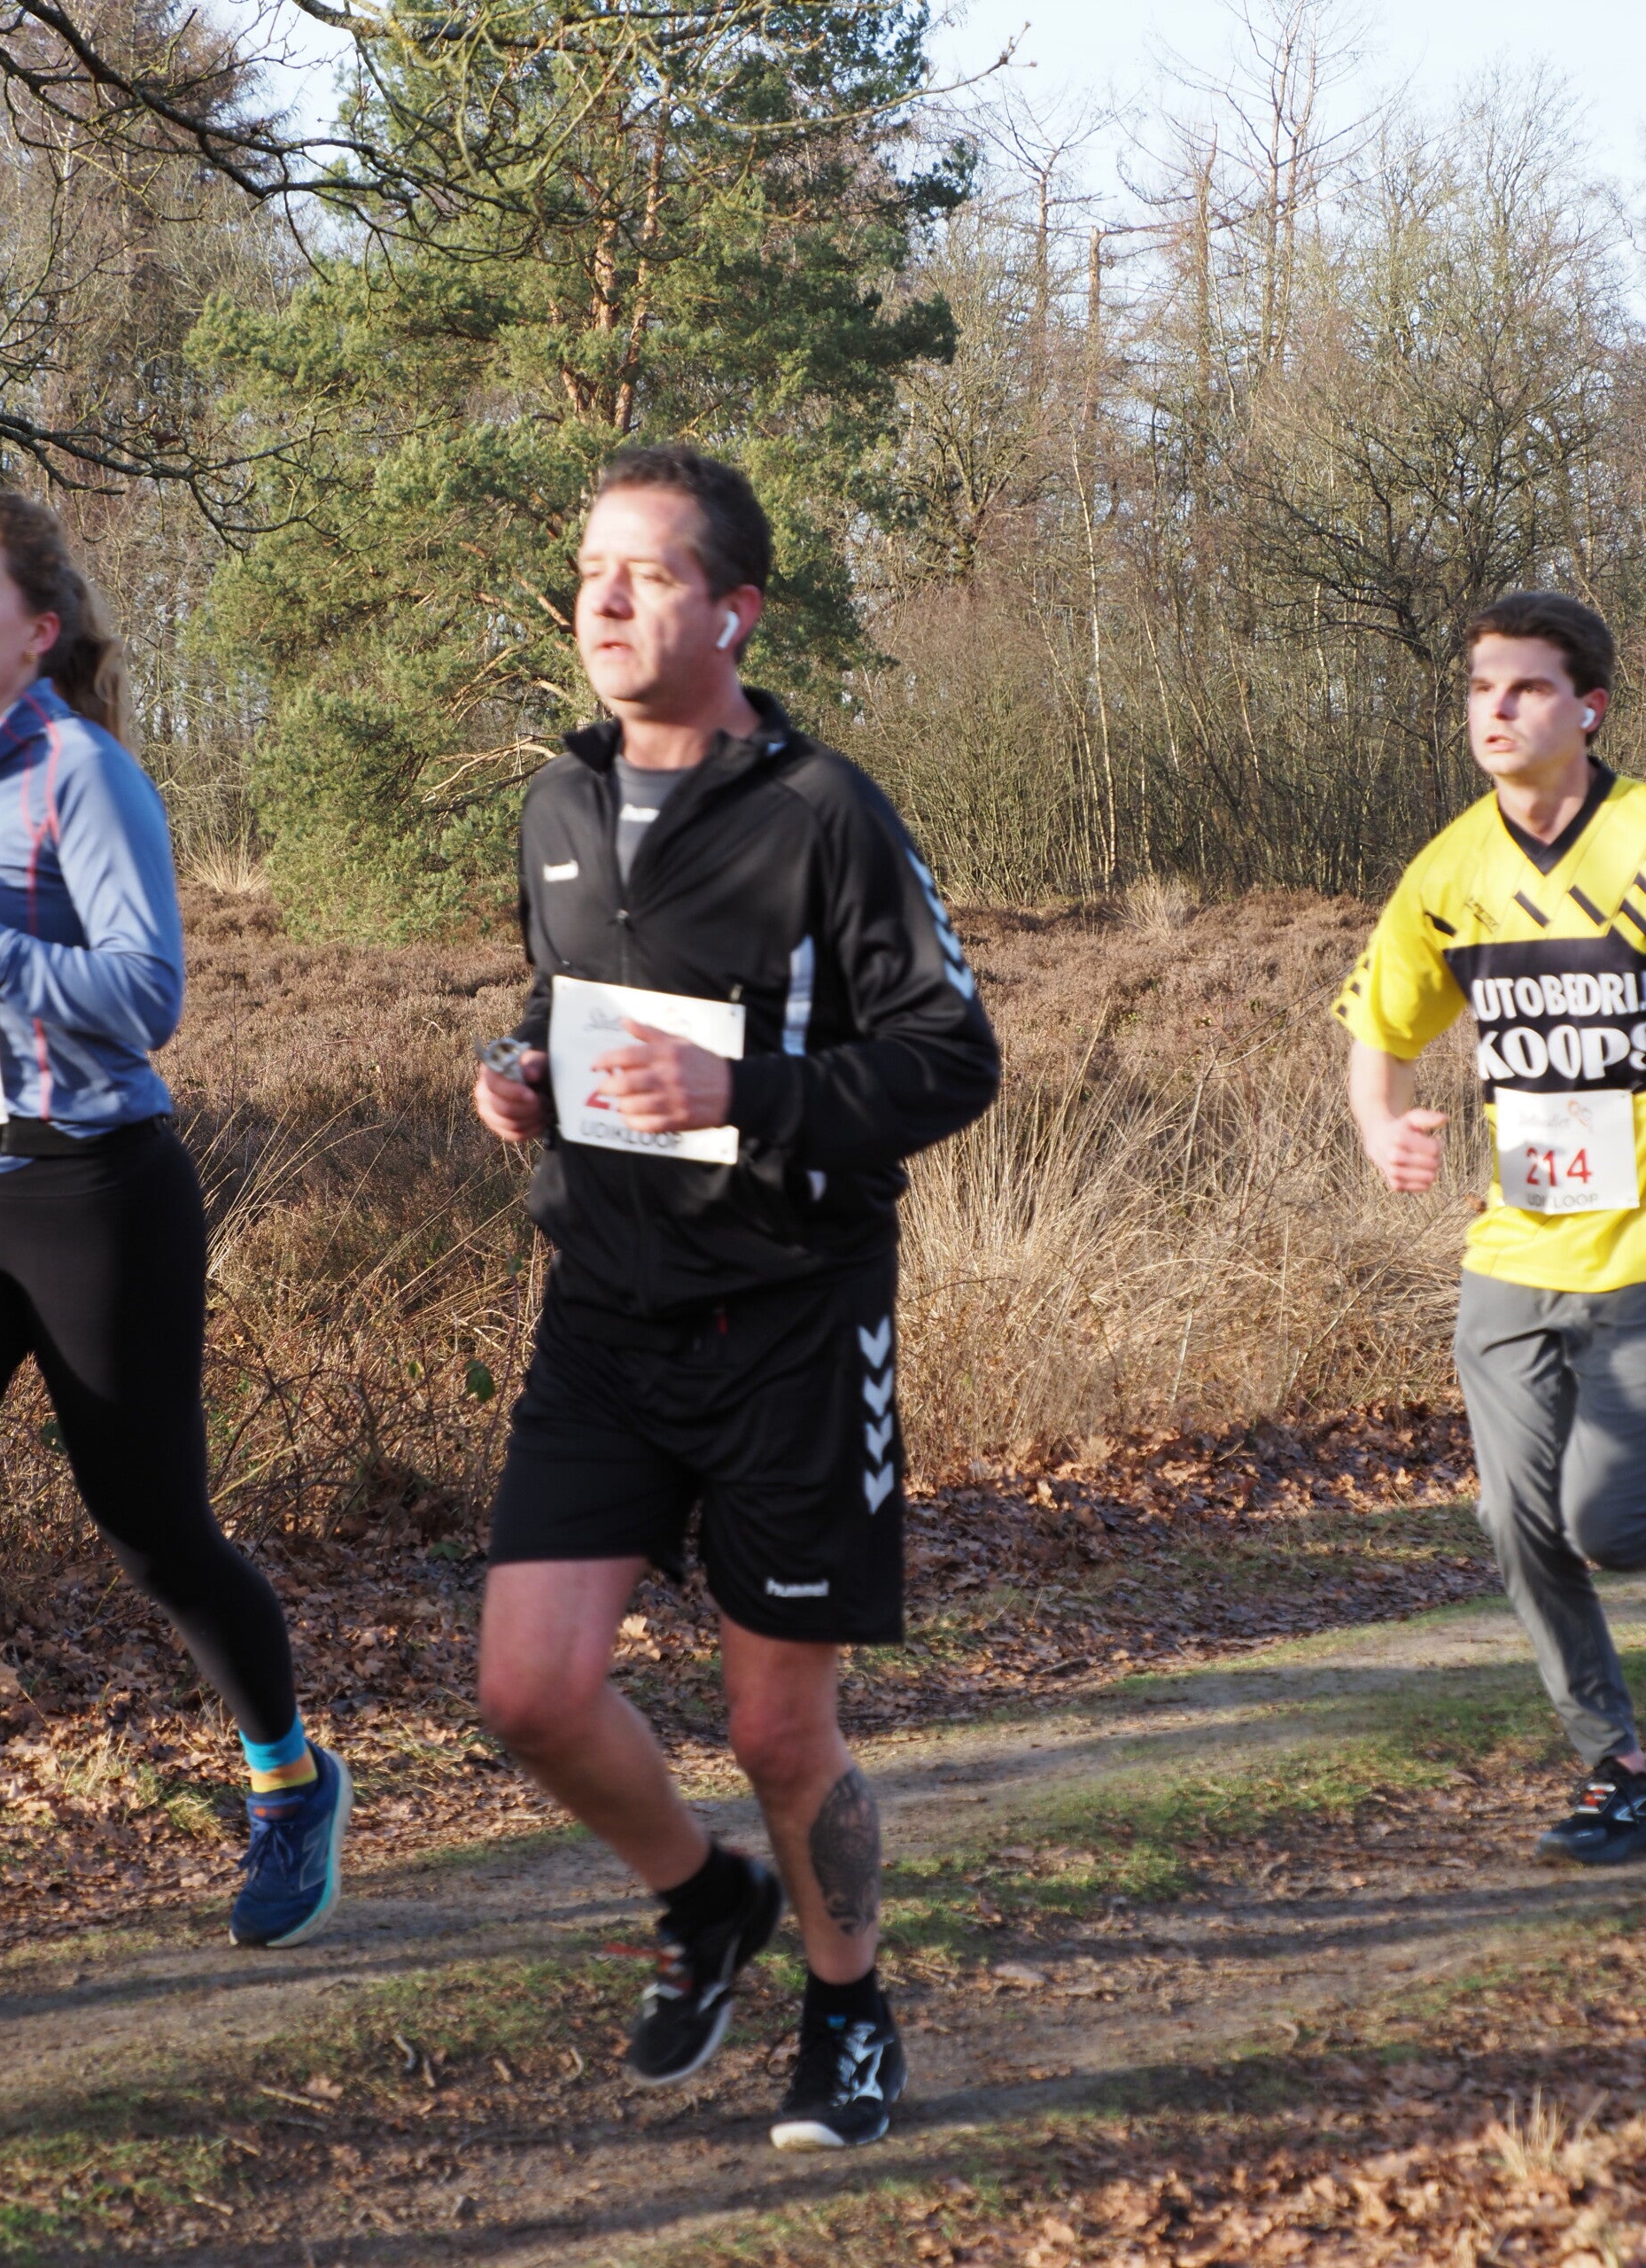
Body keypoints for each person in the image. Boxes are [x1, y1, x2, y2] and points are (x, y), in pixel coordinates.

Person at [473, 446, 998, 2148]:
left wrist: (748, 1098)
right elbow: (568, 997)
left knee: (779, 1728)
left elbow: (951, 1055)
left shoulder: (825, 809)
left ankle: (851, 2015)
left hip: (791, 1324)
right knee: (529, 1692)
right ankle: (707, 1898)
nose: (605, 601)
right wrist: (517, 1074)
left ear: (735, 610)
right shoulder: (557, 806)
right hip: (601, 1319)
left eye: (646, 573)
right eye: (590, 572)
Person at [0, 493, 350, 1973]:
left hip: (93, 1191)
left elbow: (148, 992)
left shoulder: (81, 774)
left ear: (36, 629)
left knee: (154, 1534)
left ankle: (289, 1783)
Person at [1339, 587, 1646, 1865]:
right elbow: (1380, 1026)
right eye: (1479, 688)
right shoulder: (1450, 870)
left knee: (1608, 1523)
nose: (1496, 710)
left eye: (1525, 687)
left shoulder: (1639, 844)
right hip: (1514, 1250)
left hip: (1643, 1259)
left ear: (1591, 708)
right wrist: (1382, 1126)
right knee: (1517, 1524)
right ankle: (1618, 1765)